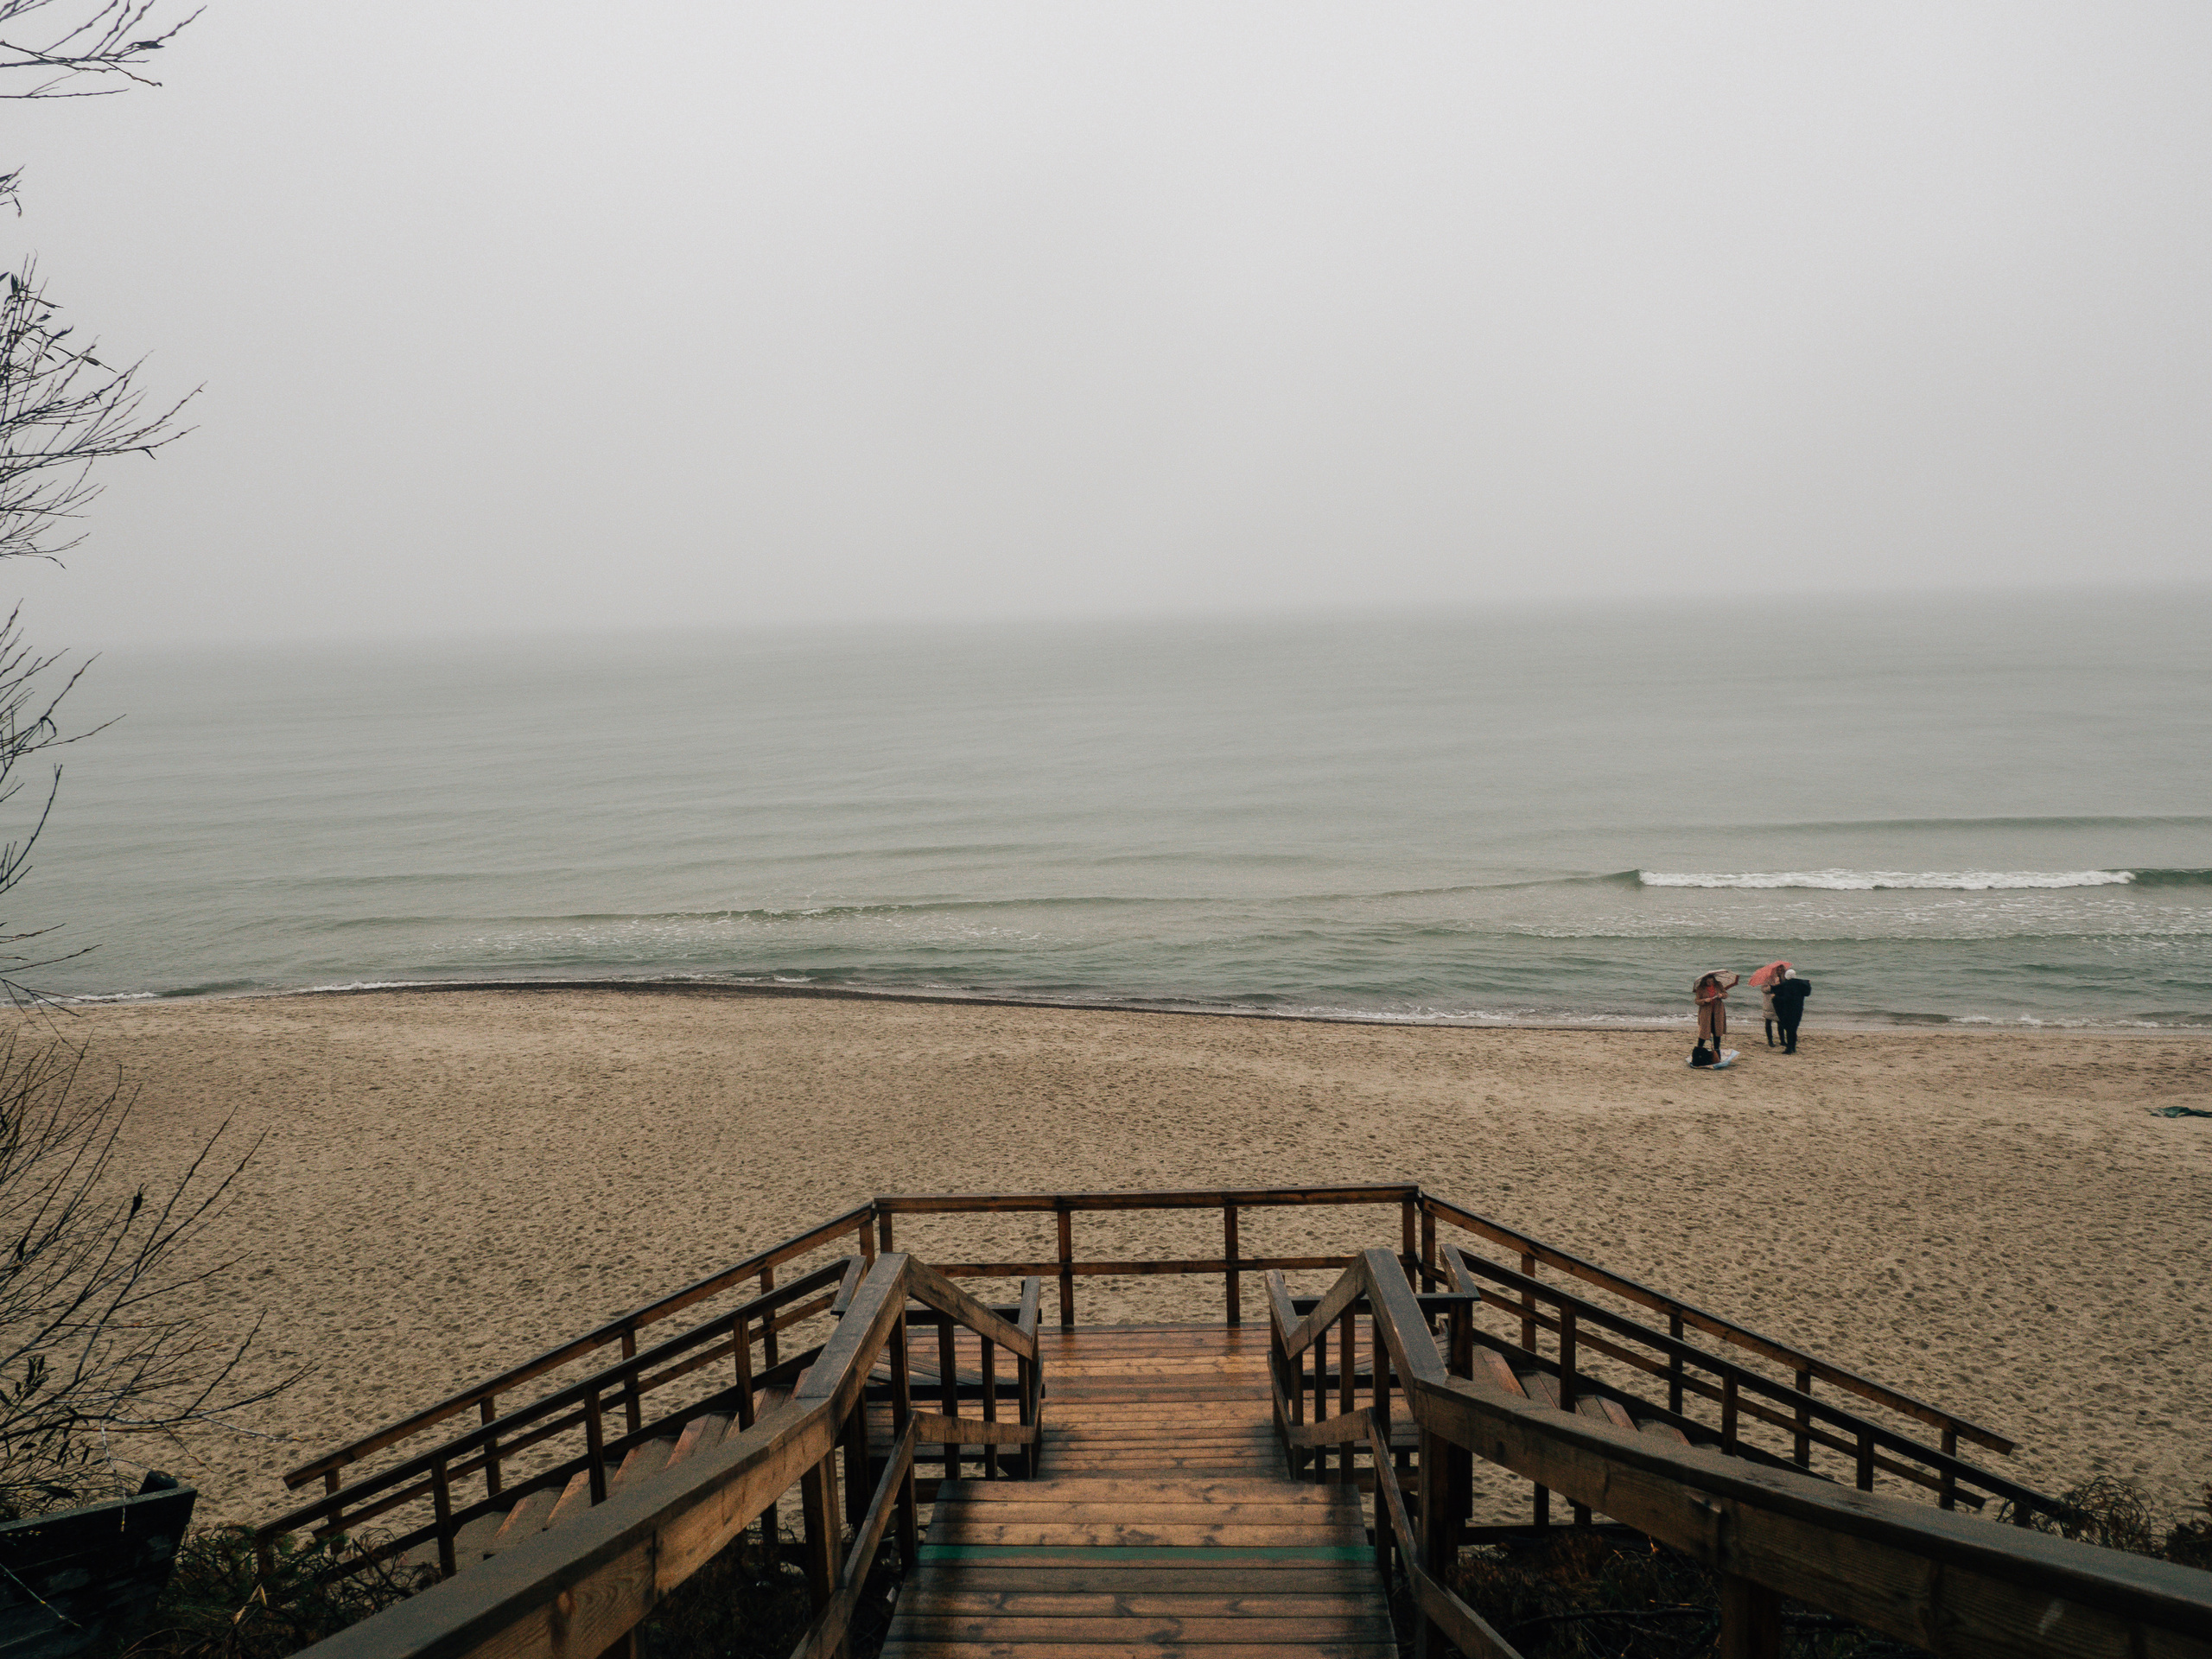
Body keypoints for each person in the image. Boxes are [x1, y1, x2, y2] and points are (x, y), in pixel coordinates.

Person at [1694, 971, 1738, 1052]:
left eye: (1711, 981)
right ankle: (1698, 1050)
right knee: (1703, 1033)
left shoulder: (1718, 985)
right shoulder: (1700, 988)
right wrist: (1704, 1000)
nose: (1709, 983)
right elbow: (1697, 1001)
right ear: (1704, 981)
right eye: (1707, 982)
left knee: (1717, 1032)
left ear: (1714, 980)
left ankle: (1717, 1050)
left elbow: (1726, 994)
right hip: (1705, 1013)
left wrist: (1722, 995)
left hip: (1718, 1012)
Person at [1770, 969, 1811, 1053]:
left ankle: (1789, 1049)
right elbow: (1807, 993)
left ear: (1786, 976)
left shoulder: (1786, 985)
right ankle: (1793, 1047)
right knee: (1794, 1028)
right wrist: (1808, 984)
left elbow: (1785, 998)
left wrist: (1775, 997)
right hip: (1798, 1009)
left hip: (1788, 1010)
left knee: (1789, 1029)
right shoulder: (1801, 984)